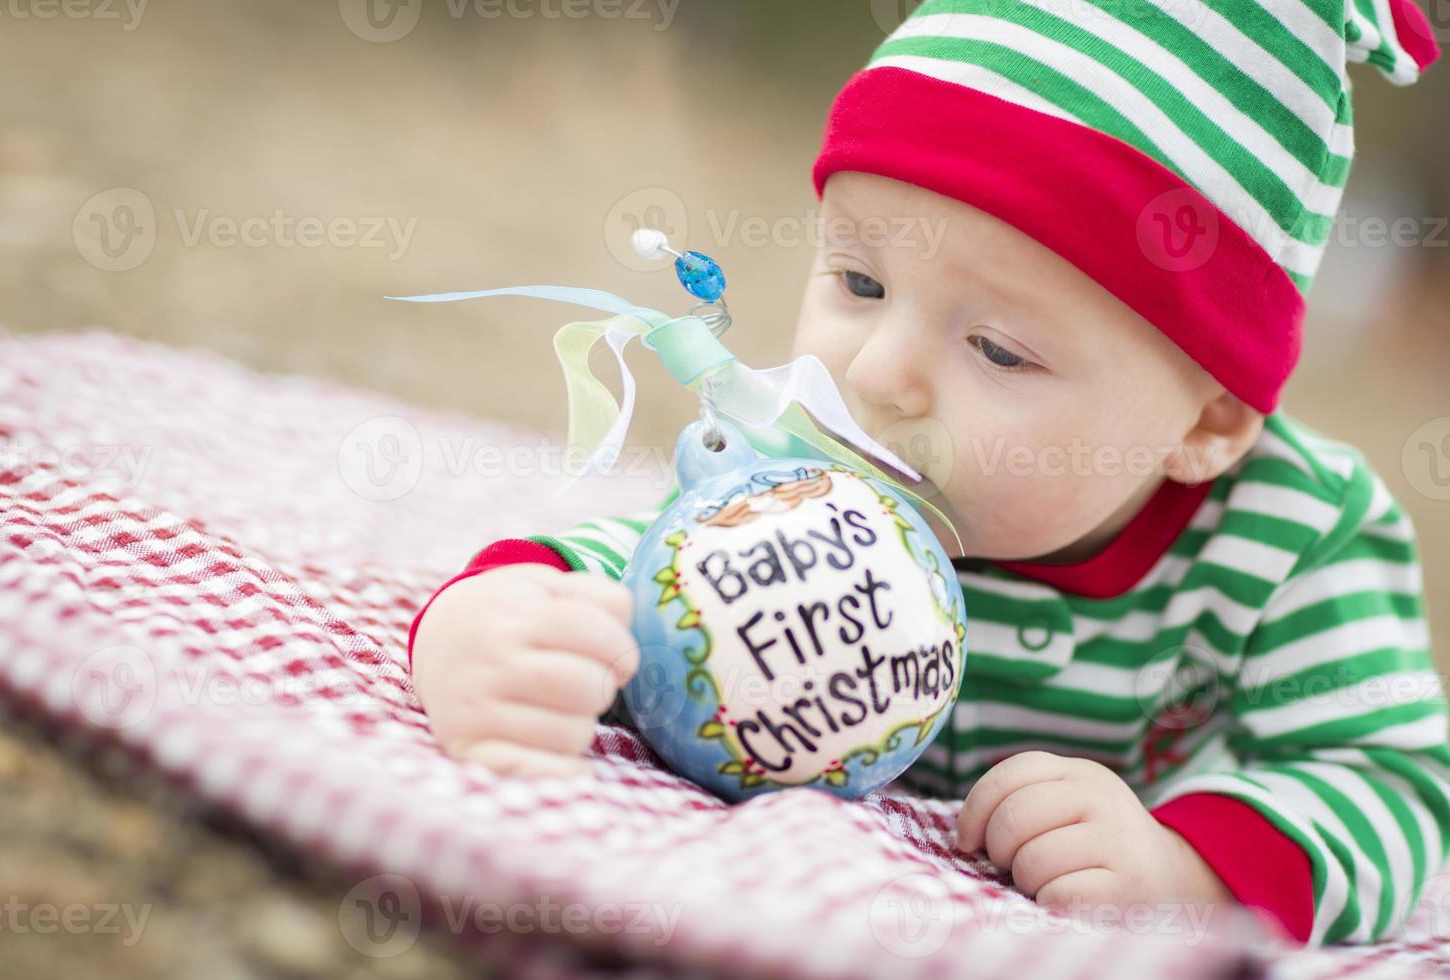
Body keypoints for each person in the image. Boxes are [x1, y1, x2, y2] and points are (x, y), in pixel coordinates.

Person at [407, 0, 1448, 946]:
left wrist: (1189, 866)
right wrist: (503, 609)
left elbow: (1394, 781)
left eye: (998, 349)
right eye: (861, 280)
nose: (880, 371)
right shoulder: (820, 455)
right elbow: (661, 573)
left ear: (1208, 420)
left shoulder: (1294, 537)